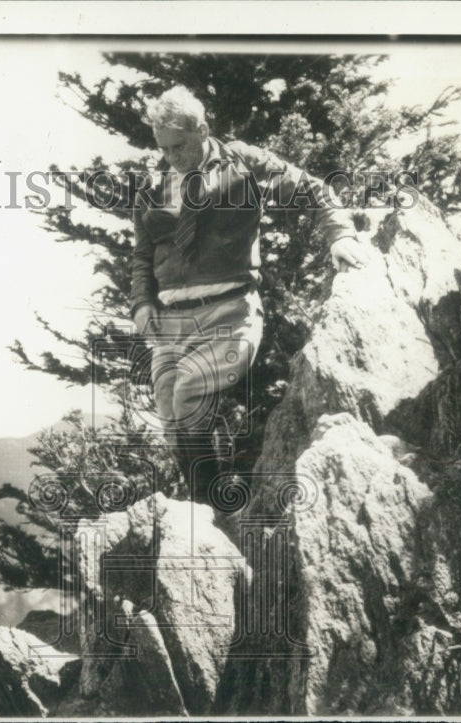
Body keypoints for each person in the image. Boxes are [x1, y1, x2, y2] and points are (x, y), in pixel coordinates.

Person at [129, 85, 368, 510]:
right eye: (162, 148)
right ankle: (210, 510)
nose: (170, 157)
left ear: (202, 129)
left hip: (232, 311)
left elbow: (313, 189)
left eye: (179, 146)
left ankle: (210, 512)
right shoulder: (154, 185)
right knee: (169, 412)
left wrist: (340, 235)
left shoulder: (243, 161)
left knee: (189, 397)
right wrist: (143, 303)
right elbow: (143, 254)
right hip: (172, 322)